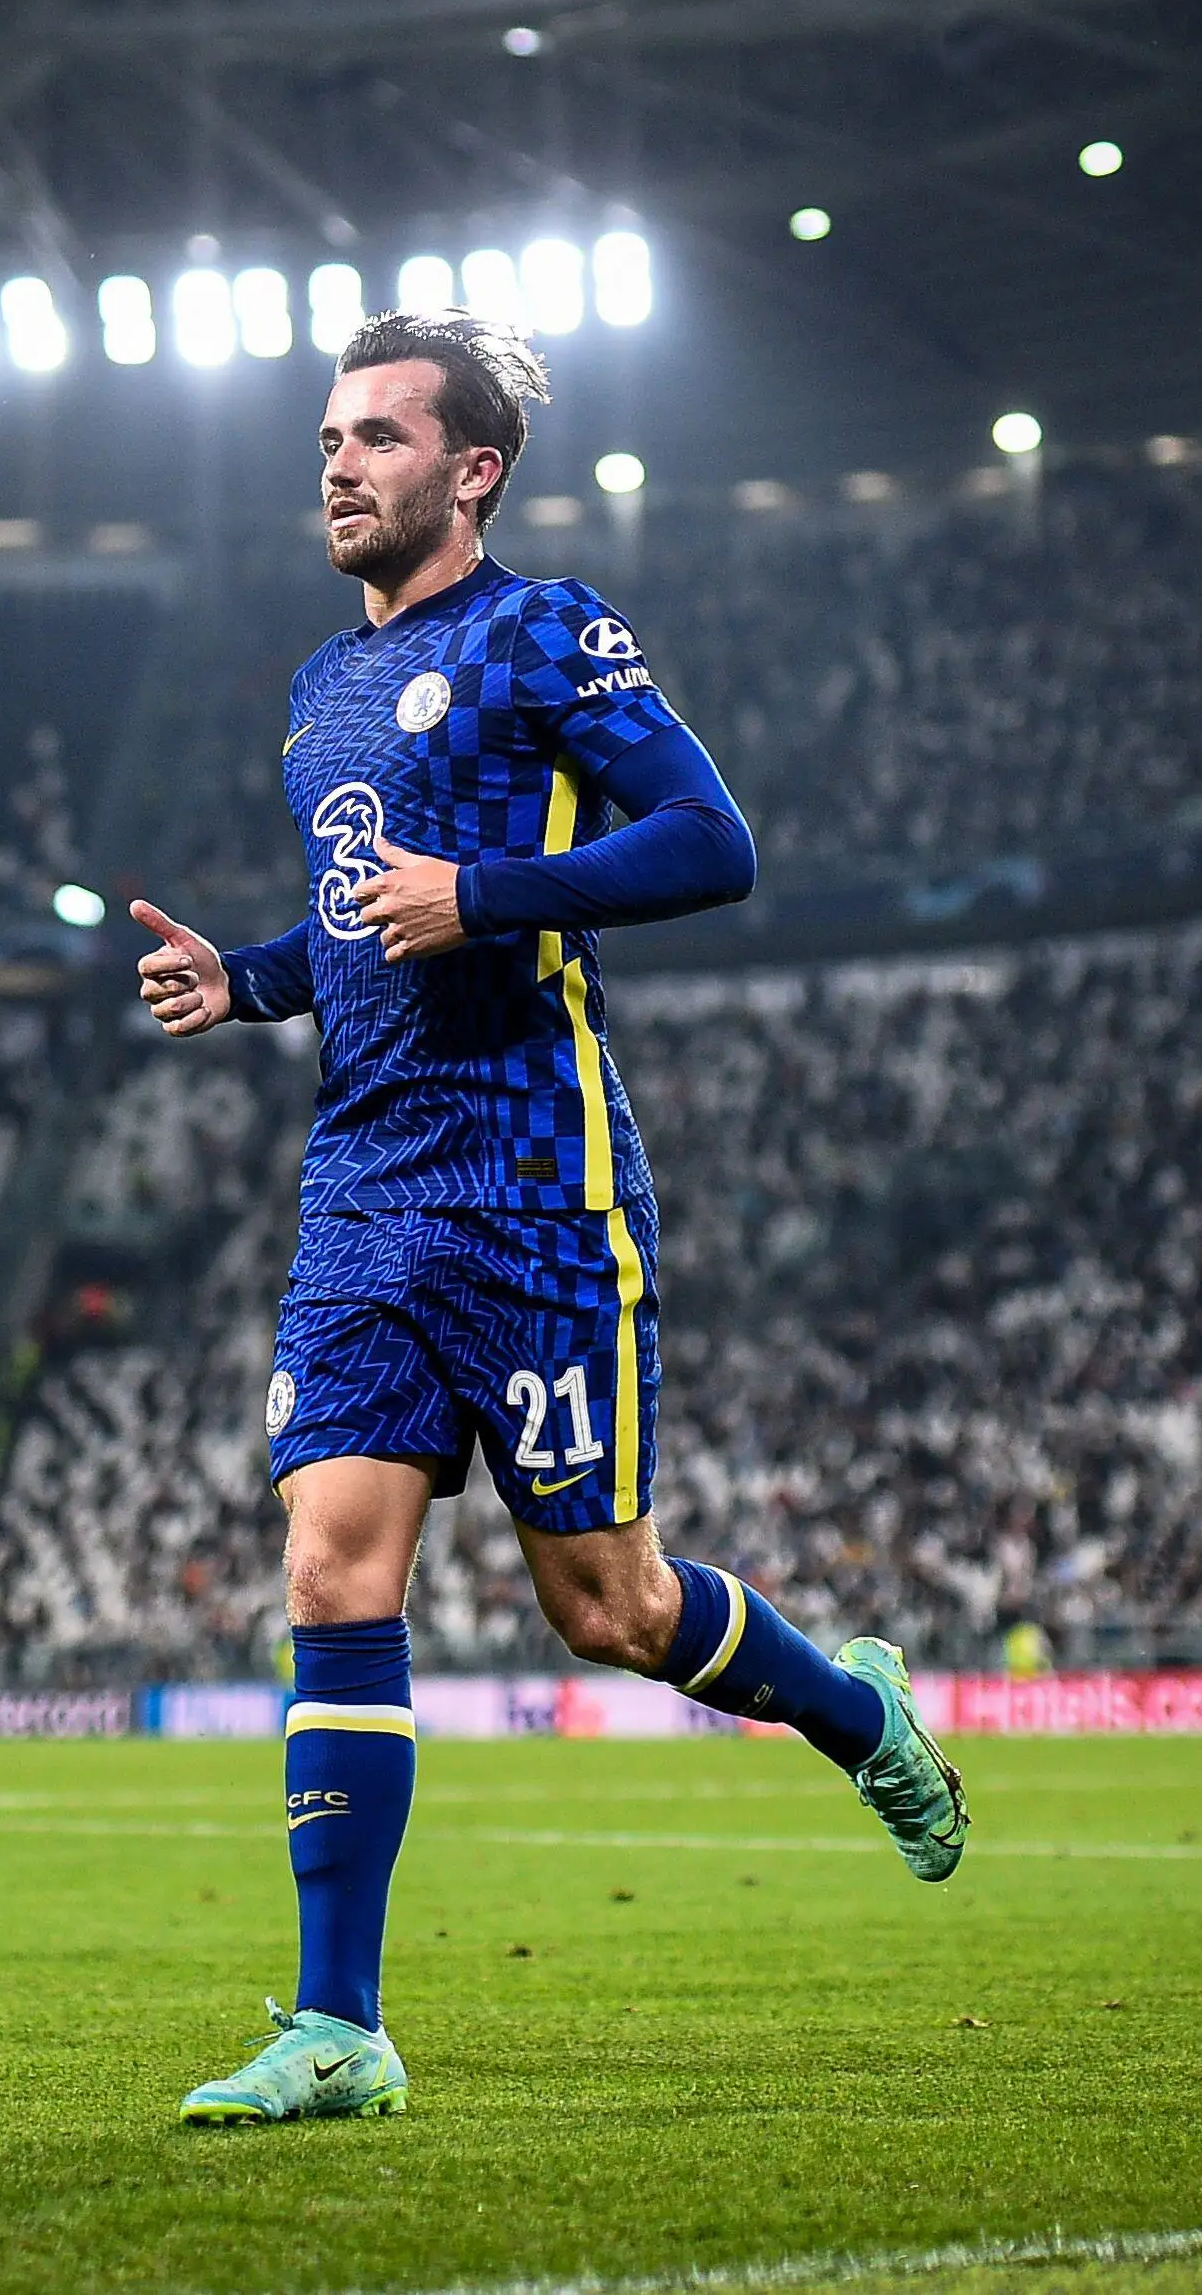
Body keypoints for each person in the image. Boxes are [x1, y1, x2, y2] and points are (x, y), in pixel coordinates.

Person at [131, 309, 966, 2128]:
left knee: (609, 1608)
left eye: (373, 436)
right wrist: (248, 979)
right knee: (330, 1569)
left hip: (533, 1183)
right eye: (327, 436)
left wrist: (494, 891)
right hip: (363, 1185)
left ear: (470, 468)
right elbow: (366, 913)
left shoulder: (544, 630)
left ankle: (855, 1716)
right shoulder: (313, 688)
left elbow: (712, 841)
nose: (335, 462)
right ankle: (338, 2026)